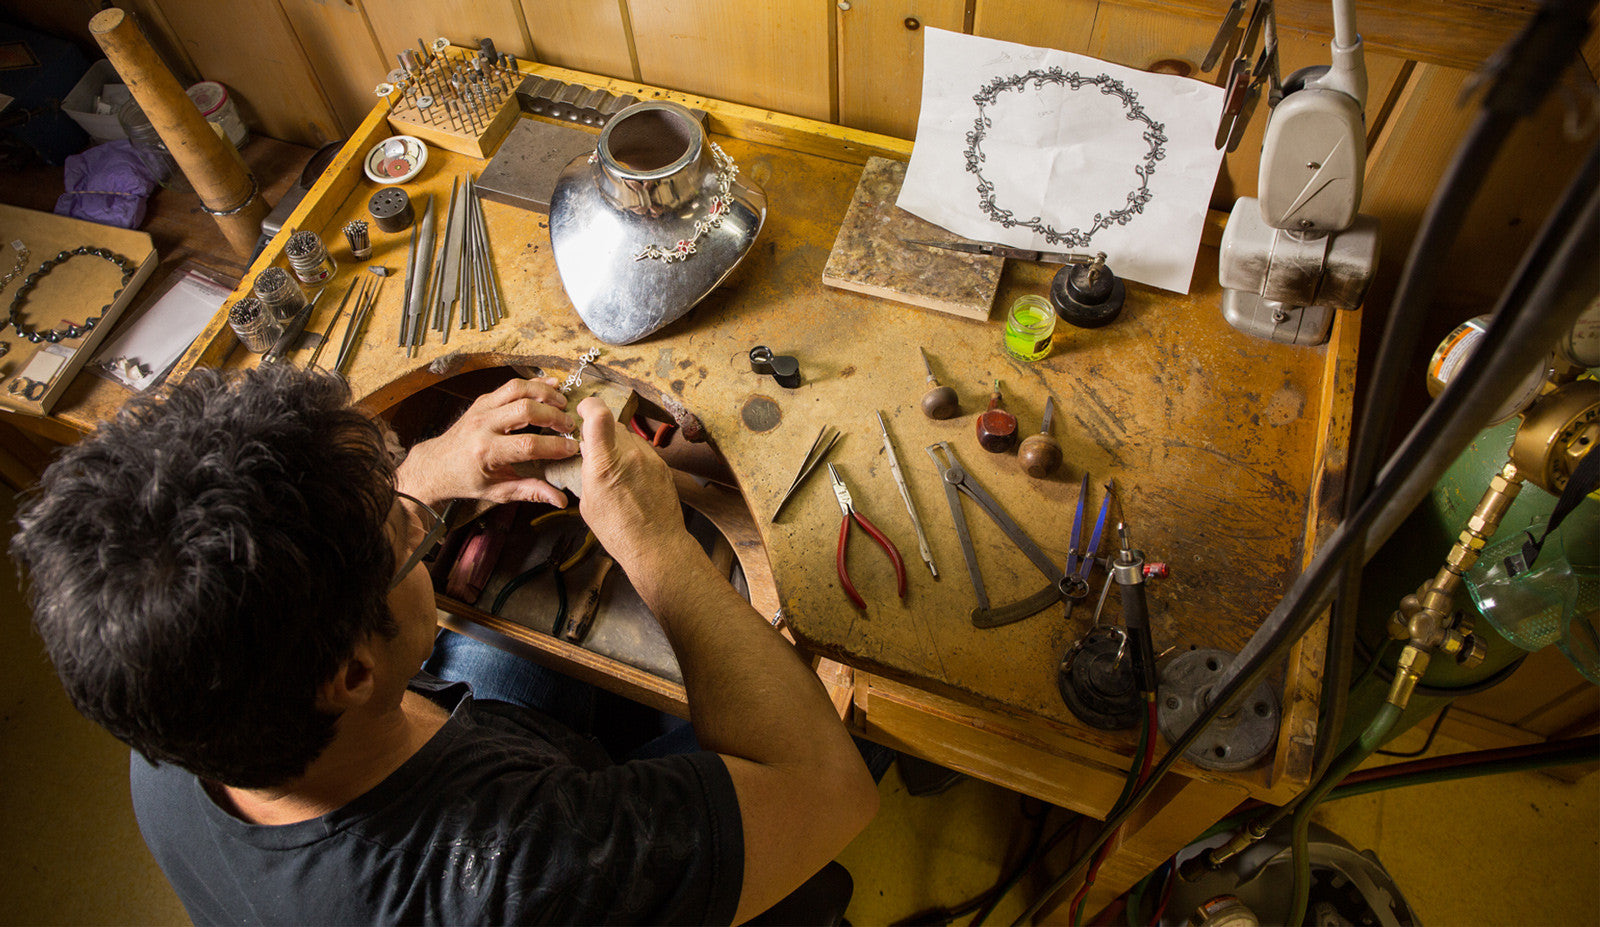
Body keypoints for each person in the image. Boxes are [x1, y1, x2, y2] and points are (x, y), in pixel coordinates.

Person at [10, 364, 878, 924]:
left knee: (516, 655)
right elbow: (826, 790)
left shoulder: (171, 701)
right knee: (851, 719)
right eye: (409, 536)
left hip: (478, 769)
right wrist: (654, 543)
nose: (418, 513)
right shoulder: (522, 877)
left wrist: (425, 471)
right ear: (352, 671)